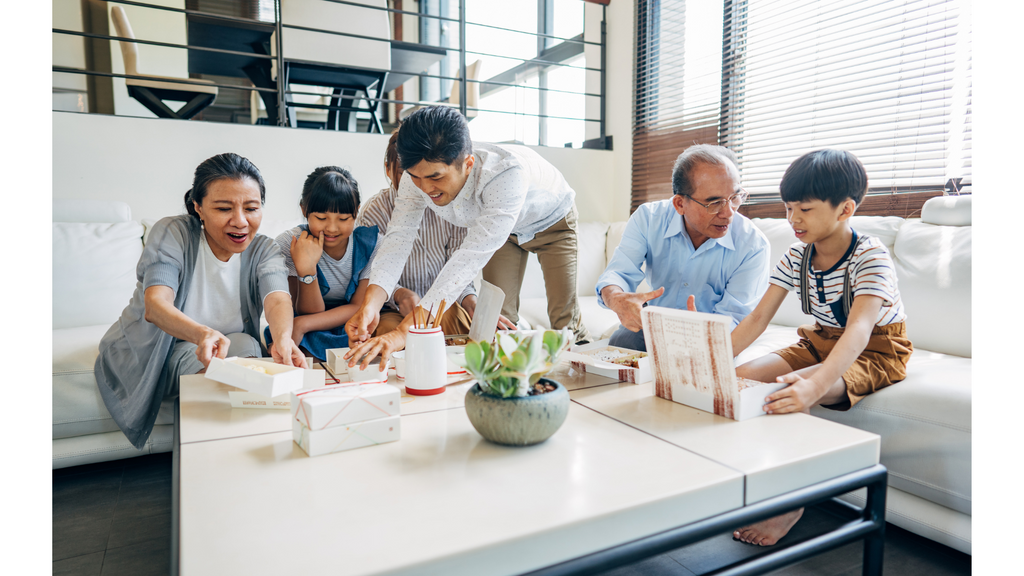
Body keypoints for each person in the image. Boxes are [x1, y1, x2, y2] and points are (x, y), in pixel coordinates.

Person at [722, 149, 913, 546]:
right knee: (737, 379)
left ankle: (791, 502)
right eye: (789, 208)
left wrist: (813, 385)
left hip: (878, 350)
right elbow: (757, 319)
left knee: (791, 388)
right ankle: (749, 481)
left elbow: (860, 330)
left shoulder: (870, 255)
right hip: (821, 339)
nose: (793, 219)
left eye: (804, 209)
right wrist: (711, 359)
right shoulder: (797, 255)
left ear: (845, 209)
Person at [344, 105, 587, 370]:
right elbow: (397, 241)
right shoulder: (417, 176)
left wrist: (404, 333)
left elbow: (465, 263)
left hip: (553, 223)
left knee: (564, 322)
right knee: (498, 322)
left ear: (468, 164)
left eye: (436, 177)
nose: (425, 189)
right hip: (503, 233)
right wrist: (371, 304)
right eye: (416, 177)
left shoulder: (505, 175)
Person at [94, 153, 306, 450]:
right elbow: (156, 305)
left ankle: (245, 446)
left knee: (246, 345)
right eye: (223, 208)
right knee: (215, 364)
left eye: (251, 208)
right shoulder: (173, 233)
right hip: (160, 346)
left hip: (225, 343)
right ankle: (217, 452)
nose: (241, 221)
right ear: (198, 207)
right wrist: (202, 334)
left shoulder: (264, 249)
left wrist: (283, 339)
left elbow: (277, 298)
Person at [595, 144, 771, 351]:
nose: (728, 213)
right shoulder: (648, 219)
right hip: (657, 326)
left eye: (735, 197)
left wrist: (699, 337)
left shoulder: (753, 245)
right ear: (679, 204)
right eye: (714, 203)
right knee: (620, 343)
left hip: (714, 336)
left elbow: (736, 317)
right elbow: (618, 273)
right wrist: (616, 298)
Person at [356, 126, 484, 337]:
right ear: (388, 169)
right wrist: (398, 294)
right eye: (407, 174)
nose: (421, 186)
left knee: (459, 322)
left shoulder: (451, 205)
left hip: (442, 305)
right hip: (395, 310)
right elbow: (369, 271)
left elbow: (459, 264)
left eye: (429, 175)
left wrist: (469, 298)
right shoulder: (374, 211)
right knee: (388, 332)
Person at [266, 166, 383, 361]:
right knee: (298, 343)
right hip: (309, 320)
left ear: (357, 211)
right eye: (321, 218)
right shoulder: (290, 244)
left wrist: (302, 324)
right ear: (304, 210)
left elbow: (359, 307)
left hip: (350, 320)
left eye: (344, 219)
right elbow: (303, 310)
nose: (332, 228)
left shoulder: (371, 244)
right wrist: (307, 270)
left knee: (367, 335)